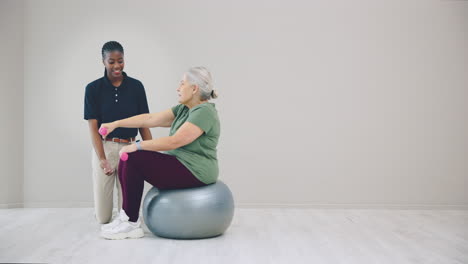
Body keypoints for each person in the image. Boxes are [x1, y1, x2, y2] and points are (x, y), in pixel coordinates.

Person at [99, 66, 220, 240]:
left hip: (196, 171)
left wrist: (138, 145)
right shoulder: (183, 109)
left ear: (194, 89)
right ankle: (127, 217)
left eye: (182, 84)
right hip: (180, 163)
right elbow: (149, 118)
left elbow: (175, 141)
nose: (178, 88)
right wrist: (115, 124)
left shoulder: (204, 112)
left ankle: (131, 224)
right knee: (127, 157)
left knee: (133, 156)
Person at [84, 41, 152, 225]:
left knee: (127, 216)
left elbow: (145, 122)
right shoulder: (92, 89)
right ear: (103, 61)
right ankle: (104, 216)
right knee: (103, 218)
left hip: (130, 148)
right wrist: (102, 159)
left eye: (120, 61)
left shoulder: (136, 87)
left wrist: (151, 152)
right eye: (111, 61)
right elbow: (93, 128)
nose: (116, 66)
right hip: (105, 147)